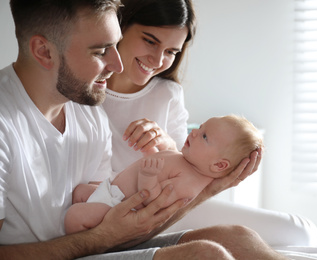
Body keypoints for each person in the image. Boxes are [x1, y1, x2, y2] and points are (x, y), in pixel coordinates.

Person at [0, 0, 288, 259]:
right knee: (207, 255)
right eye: (101, 51)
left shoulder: (88, 113)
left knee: (240, 238)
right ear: (43, 51)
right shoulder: (6, 123)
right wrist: (103, 237)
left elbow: (116, 219)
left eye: (115, 44)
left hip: (93, 246)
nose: (117, 63)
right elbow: (103, 236)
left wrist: (211, 186)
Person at [65, 115, 264, 234]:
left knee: (75, 216)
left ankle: (89, 251)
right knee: (81, 191)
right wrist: (149, 154)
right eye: (200, 127)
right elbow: (160, 164)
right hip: (108, 190)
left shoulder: (190, 183)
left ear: (219, 165)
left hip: (116, 209)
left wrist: (147, 175)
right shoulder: (185, 160)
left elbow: (153, 200)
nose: (194, 132)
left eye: (204, 136)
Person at [102, 0, 196, 172]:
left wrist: (165, 142)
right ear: (120, 26)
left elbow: (184, 171)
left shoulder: (168, 95)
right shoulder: (82, 88)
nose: (158, 61)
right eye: (151, 42)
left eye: (170, 52)